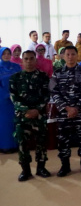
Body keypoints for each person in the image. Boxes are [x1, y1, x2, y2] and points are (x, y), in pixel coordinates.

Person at [50, 46, 81, 176]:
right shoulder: (57, 73)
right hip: (64, 113)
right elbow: (54, 92)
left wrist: (77, 107)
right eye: (67, 54)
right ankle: (65, 166)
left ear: (77, 55)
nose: (70, 57)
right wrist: (67, 108)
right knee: (63, 140)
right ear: (63, 56)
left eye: (73, 54)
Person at [10, 50, 51, 181]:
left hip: (39, 115)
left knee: (41, 142)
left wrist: (37, 110)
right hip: (22, 116)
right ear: (22, 61)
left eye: (31, 58)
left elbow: (46, 95)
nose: (29, 61)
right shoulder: (15, 78)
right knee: (22, 142)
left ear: (35, 60)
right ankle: (25, 170)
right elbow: (14, 98)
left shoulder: (43, 76)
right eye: (26, 59)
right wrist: (26, 110)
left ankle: (41, 168)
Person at [0, 47, 21, 152]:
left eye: (8, 53)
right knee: (4, 123)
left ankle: (15, 145)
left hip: (16, 98)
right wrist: (6, 94)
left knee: (15, 121)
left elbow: (21, 80)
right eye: (4, 54)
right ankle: (4, 146)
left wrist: (17, 94)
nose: (6, 55)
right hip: (3, 100)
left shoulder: (16, 66)